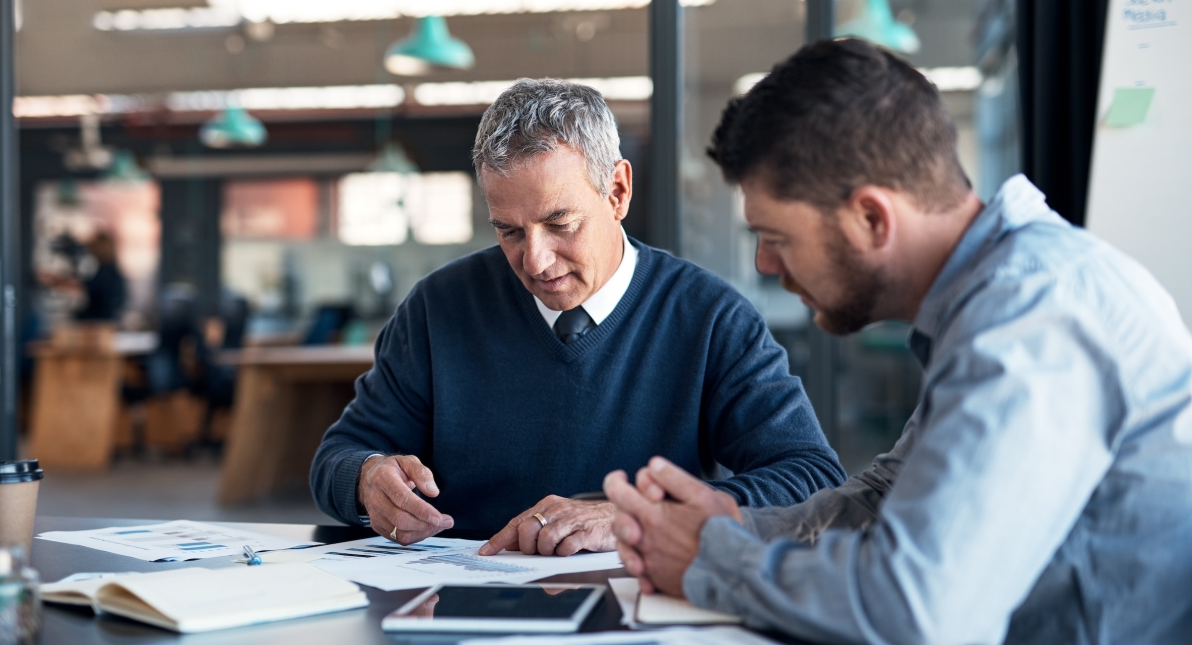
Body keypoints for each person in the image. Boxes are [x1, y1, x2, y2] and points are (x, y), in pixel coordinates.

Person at [604, 38, 1192, 645]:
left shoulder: (1033, 315)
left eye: (776, 236)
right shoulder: (991, 297)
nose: (766, 262)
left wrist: (713, 559)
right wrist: (738, 526)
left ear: (872, 219)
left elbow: (919, 610)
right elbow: (888, 494)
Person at [311, 78, 845, 557]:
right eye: (509, 232)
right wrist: (366, 480)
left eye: (560, 223)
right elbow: (337, 456)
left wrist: (640, 517)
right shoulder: (438, 307)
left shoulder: (708, 318)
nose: (535, 262)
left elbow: (812, 478)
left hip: (639, 611)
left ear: (617, 192)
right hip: (462, 603)